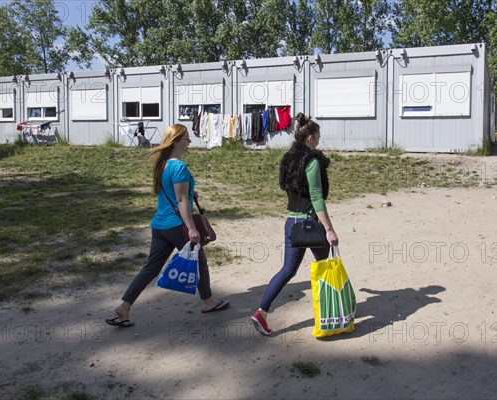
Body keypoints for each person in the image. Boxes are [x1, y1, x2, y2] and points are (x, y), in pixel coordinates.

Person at [106, 124, 229, 328]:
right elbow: (181, 201)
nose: (189, 142)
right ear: (176, 142)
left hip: (160, 226)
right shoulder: (179, 167)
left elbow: (173, 194)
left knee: (150, 268)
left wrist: (191, 194)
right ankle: (208, 302)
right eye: (186, 139)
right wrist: (191, 228)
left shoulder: (162, 165)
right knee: (199, 261)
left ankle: (124, 306)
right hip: (177, 226)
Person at [250, 113, 338, 336]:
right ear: (309, 138)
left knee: (287, 270)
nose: (319, 140)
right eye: (317, 136)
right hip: (311, 223)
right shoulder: (313, 161)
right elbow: (317, 196)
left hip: (292, 222)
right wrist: (329, 229)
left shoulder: (289, 159)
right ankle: (332, 314)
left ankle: (261, 312)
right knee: (326, 267)